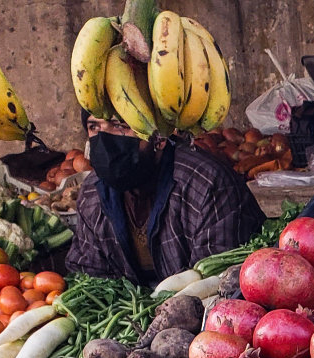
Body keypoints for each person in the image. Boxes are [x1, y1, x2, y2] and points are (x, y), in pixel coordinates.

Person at [66, 116, 265, 284]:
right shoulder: (92, 193)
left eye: (121, 125)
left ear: (159, 137)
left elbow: (217, 284)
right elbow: (89, 278)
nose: (106, 141)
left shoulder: (207, 186)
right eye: (94, 127)